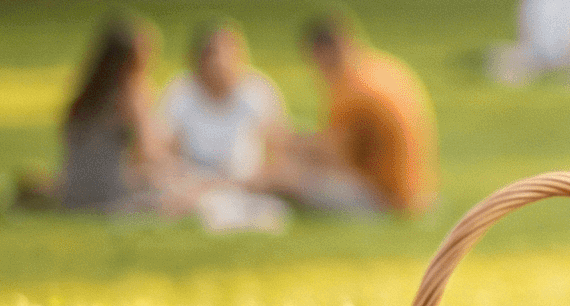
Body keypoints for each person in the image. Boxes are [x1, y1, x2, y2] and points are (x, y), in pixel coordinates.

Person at [268, 13, 438, 216]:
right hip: (417, 192)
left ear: (322, 53)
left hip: (386, 199)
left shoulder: (353, 89)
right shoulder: (383, 67)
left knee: (286, 176)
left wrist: (289, 144)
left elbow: (334, 156)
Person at [48, 15, 198, 213]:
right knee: (193, 191)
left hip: (74, 195)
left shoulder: (86, 95)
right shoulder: (132, 93)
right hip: (112, 198)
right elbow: (148, 154)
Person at [158, 21, 285, 184]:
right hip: (190, 180)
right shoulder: (180, 91)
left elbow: (279, 146)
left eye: (227, 54)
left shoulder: (257, 91)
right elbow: (162, 146)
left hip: (247, 182)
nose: (219, 63)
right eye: (211, 55)